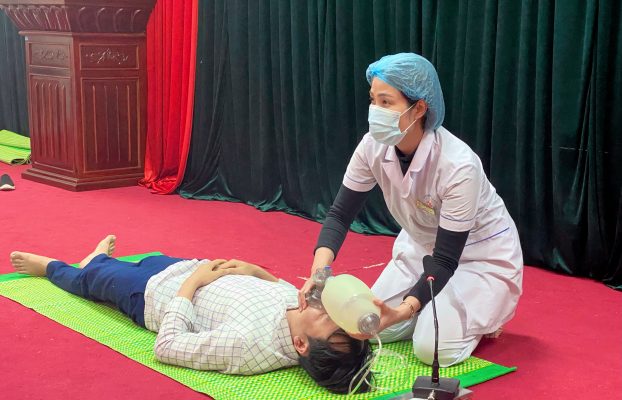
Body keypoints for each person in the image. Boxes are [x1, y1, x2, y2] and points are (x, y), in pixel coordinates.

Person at [299, 53, 523, 367]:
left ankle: (482, 318)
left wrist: (405, 310)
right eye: (373, 100)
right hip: (421, 250)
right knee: (365, 324)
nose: (375, 110)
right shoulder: (372, 146)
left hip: (478, 260)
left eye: (386, 102)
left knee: (432, 349)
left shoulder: (458, 166)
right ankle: (429, 309)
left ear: (418, 109)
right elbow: (339, 214)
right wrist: (319, 272)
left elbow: (445, 259)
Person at [10, 235, 372, 394]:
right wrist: (255, 270)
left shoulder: (246, 347)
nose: (331, 313)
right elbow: (279, 285)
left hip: (152, 294)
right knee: (146, 259)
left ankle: (54, 266)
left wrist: (193, 283)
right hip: (182, 269)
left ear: (301, 344)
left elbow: (167, 346)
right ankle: (99, 259)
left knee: (88, 281)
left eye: (329, 323)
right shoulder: (303, 308)